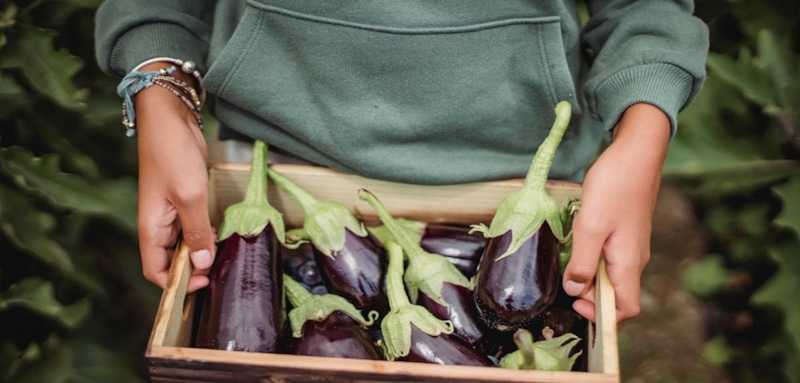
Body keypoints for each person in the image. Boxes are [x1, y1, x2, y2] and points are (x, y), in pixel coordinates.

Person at [94, 1, 709, 322]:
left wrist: (642, 138)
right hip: (273, 156)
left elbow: (644, 6)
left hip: (521, 179)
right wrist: (158, 85)